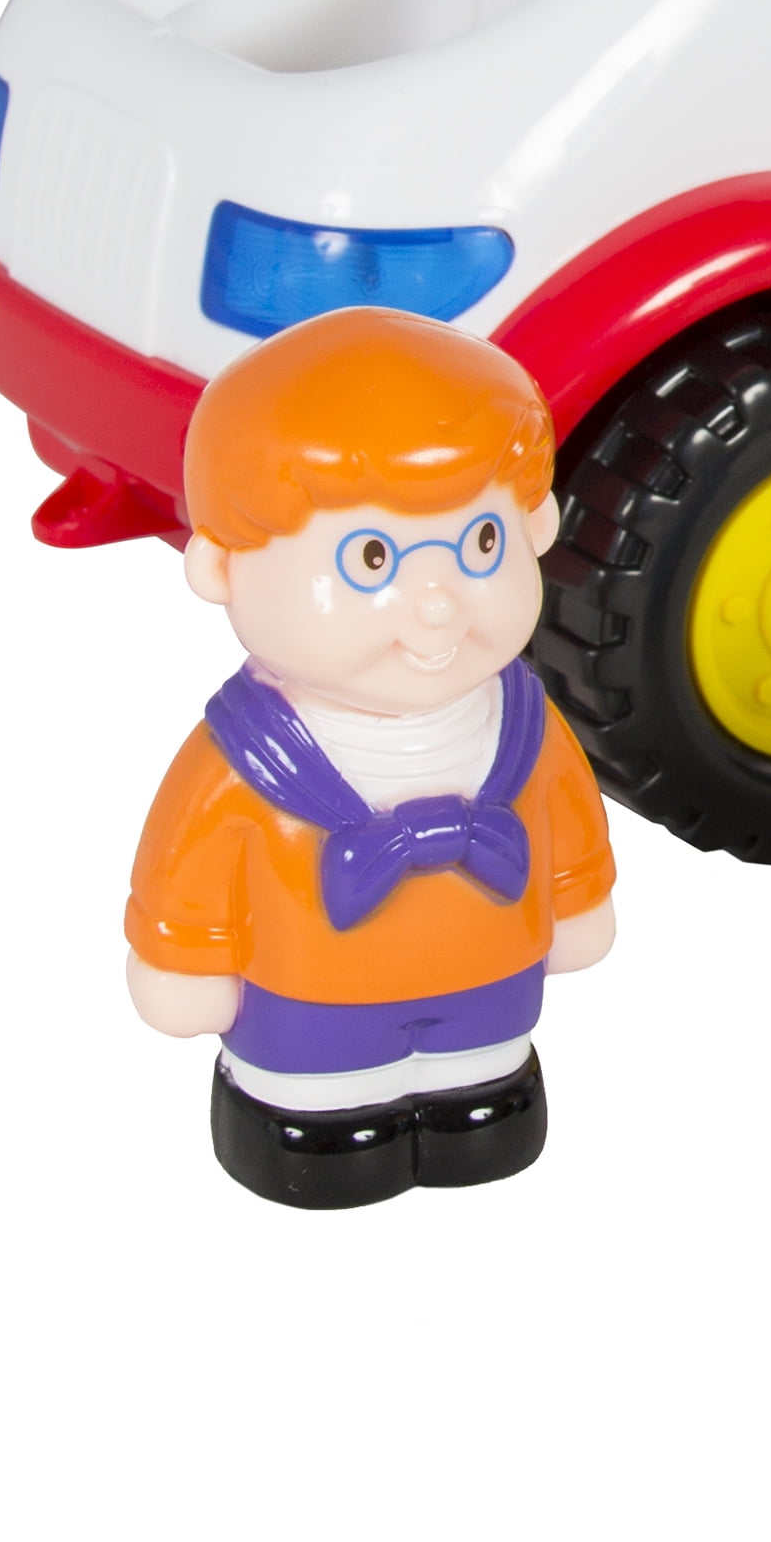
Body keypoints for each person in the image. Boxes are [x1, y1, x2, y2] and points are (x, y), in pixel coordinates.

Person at [124, 306, 616, 1209]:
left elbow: (569, 820)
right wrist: (183, 959)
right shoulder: (246, 762)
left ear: (536, 525)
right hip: (309, 1008)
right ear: (224, 568)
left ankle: (479, 1099)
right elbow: (189, 865)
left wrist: (579, 897)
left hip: (492, 985)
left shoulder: (523, 725)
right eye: (374, 557)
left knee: (483, 1105)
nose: (438, 604)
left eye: (481, 544)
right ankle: (316, 1125)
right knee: (324, 1126)